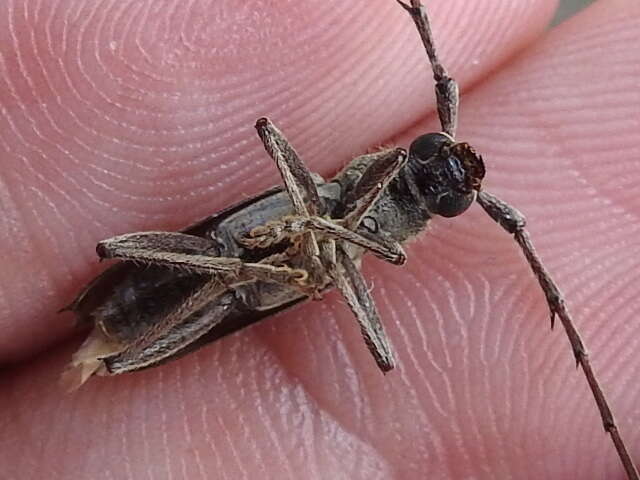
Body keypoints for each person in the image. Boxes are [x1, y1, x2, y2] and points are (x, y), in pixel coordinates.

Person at [1, 0, 638, 478]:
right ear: (410, 151)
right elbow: (275, 134)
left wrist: (334, 239)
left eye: (448, 196)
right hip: (260, 234)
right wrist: (326, 225)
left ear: (444, 210)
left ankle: (125, 348)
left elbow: (382, 258)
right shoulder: (371, 180)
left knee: (268, 282)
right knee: (203, 255)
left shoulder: (385, 242)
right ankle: (302, 241)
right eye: (425, 156)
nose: (431, 172)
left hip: (275, 282)